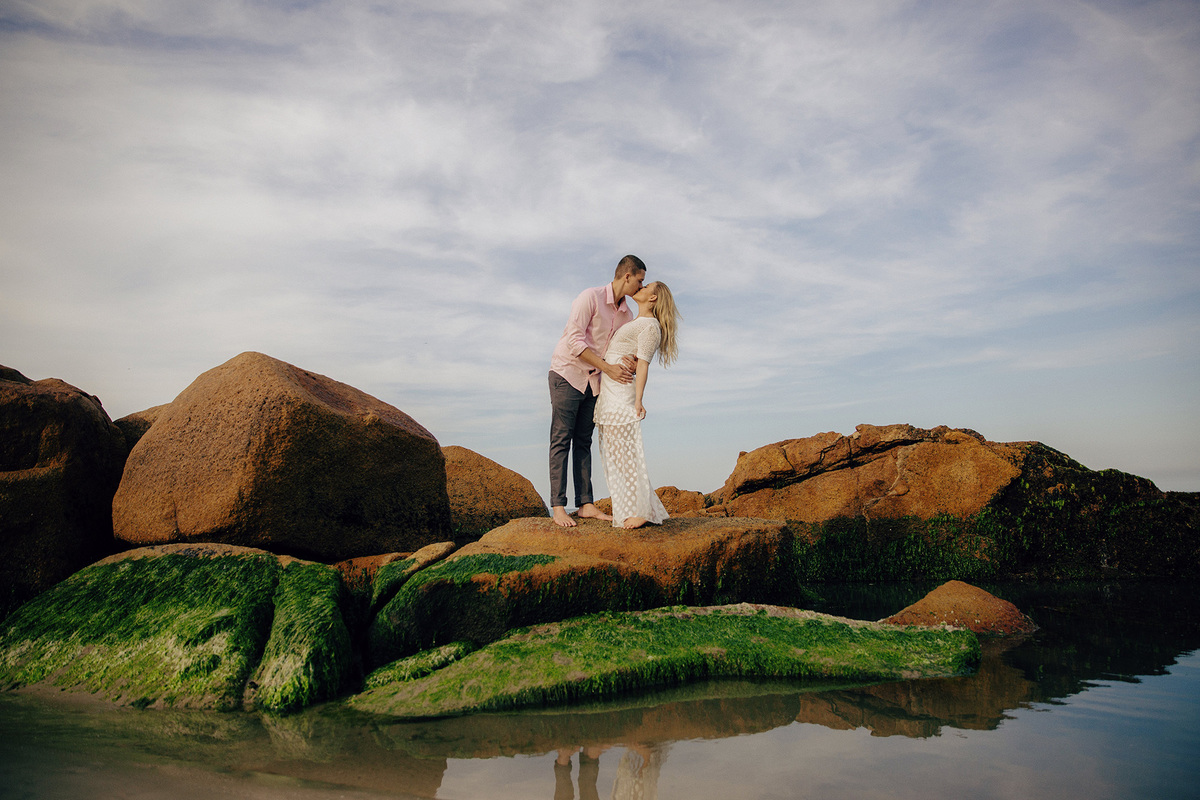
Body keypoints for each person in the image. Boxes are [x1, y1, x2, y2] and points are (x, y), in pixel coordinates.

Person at [549, 255, 646, 528]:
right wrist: (609, 368)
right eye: (639, 280)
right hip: (567, 374)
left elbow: (621, 348)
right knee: (561, 439)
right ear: (626, 276)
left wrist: (632, 360)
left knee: (583, 441)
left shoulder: (627, 314)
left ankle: (585, 505)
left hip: (595, 382)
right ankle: (558, 507)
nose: (641, 286)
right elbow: (574, 342)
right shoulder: (589, 298)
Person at [593, 281, 679, 529]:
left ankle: (641, 510)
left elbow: (643, 365)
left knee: (626, 453)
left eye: (646, 287)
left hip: (622, 393)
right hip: (610, 392)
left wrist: (639, 400)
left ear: (653, 299)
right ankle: (639, 507)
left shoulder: (650, 326)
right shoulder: (634, 321)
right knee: (615, 456)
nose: (639, 288)